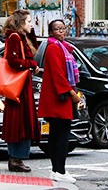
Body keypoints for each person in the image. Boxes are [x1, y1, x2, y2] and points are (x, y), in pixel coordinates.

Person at [38, 19, 81, 183]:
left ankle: (57, 170)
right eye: (57, 29)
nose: (61, 31)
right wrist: (72, 94)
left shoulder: (62, 47)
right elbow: (58, 75)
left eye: (63, 28)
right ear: (51, 32)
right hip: (59, 97)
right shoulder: (55, 48)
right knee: (61, 134)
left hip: (59, 96)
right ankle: (60, 171)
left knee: (56, 134)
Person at [2, 9, 39, 173]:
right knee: (19, 121)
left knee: (21, 121)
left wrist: (31, 33)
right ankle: (15, 159)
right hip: (19, 86)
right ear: (21, 23)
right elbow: (12, 61)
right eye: (29, 21)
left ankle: (17, 159)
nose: (32, 24)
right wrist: (31, 65)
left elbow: (33, 51)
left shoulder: (21, 37)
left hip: (23, 84)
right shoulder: (15, 38)